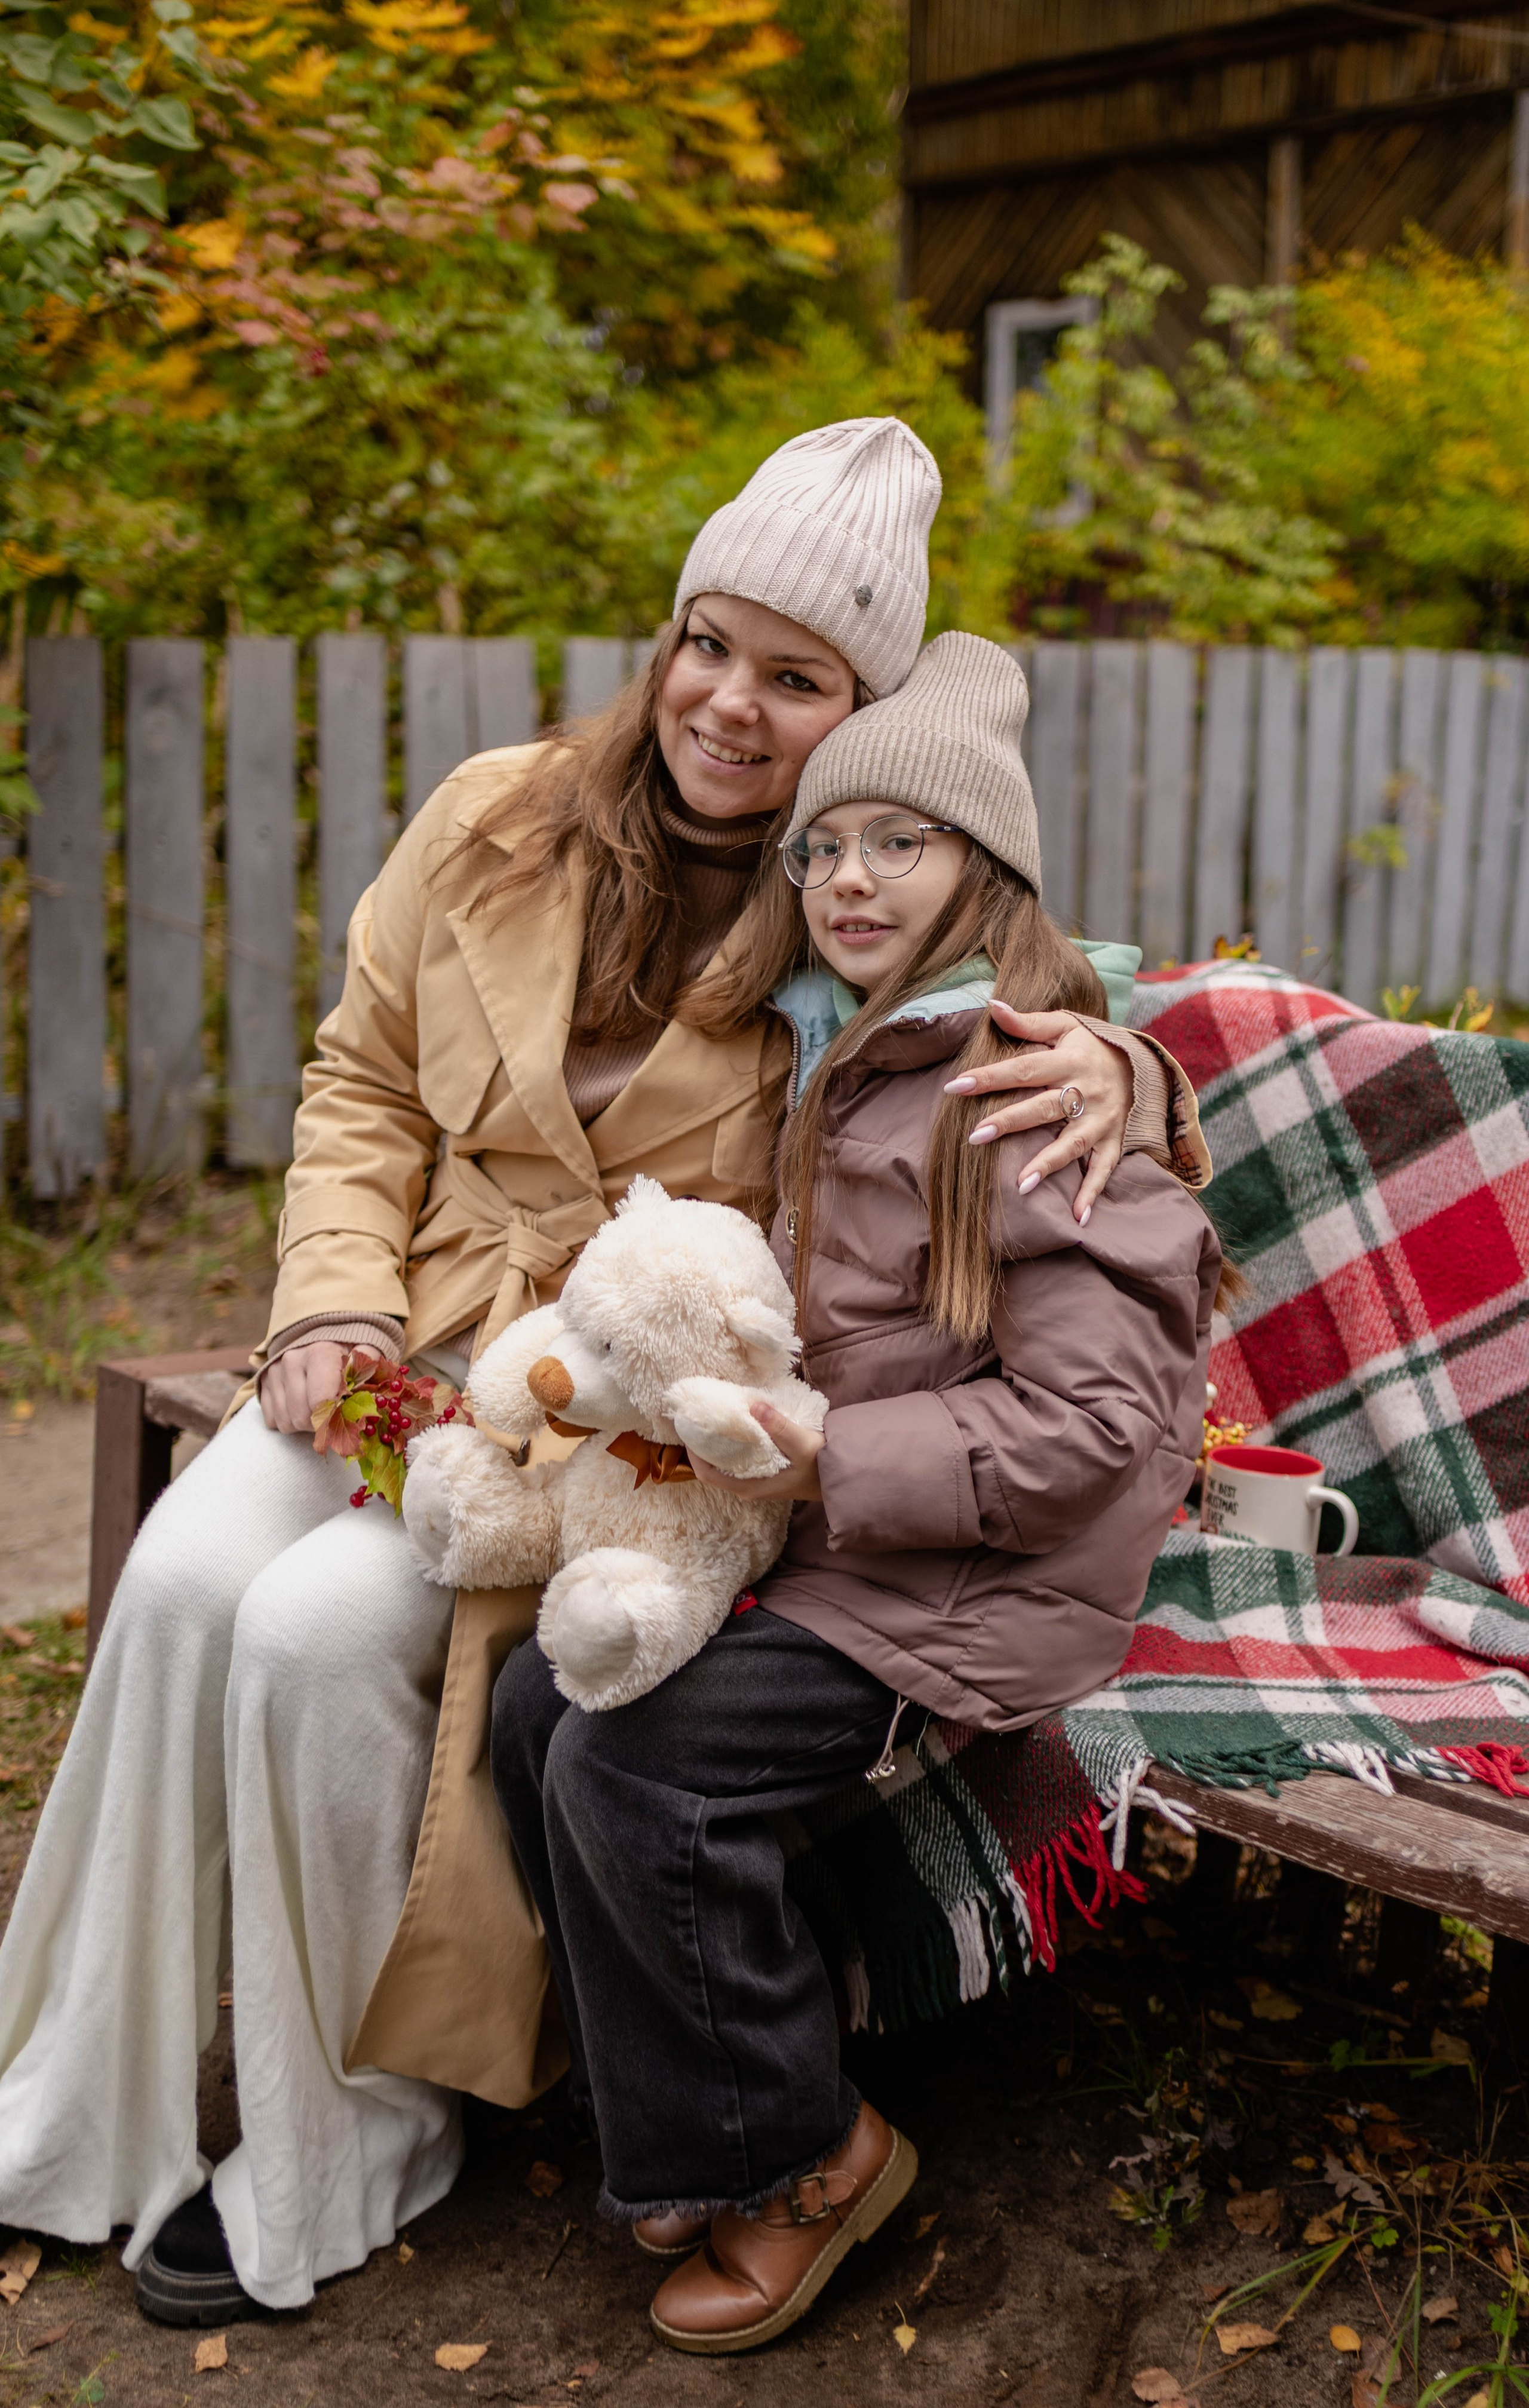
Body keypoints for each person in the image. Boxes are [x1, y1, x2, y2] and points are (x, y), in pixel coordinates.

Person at [0, 422, 1204, 2326]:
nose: (731, 702)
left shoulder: (846, 923)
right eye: (708, 643)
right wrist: (330, 1308)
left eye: (798, 679)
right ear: (666, 636)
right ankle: (85, 2104)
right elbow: (364, 1078)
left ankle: (344, 2141)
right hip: (397, 1342)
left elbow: (1045, 1000)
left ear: (863, 720)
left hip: (592, 1426)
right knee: (176, 1584)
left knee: (315, 1638)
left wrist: (1136, 1077)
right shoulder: (496, 812)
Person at [491, 632, 1222, 2356]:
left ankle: (816, 2153)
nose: (847, 878)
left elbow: (1100, 1430)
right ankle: (685, 2110)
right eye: (824, 846)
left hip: (981, 1582)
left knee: (639, 1761)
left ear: (986, 864)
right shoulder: (859, 1054)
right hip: (852, 1551)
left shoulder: (1026, 1091)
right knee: (544, 1696)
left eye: (902, 841)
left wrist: (829, 1454)